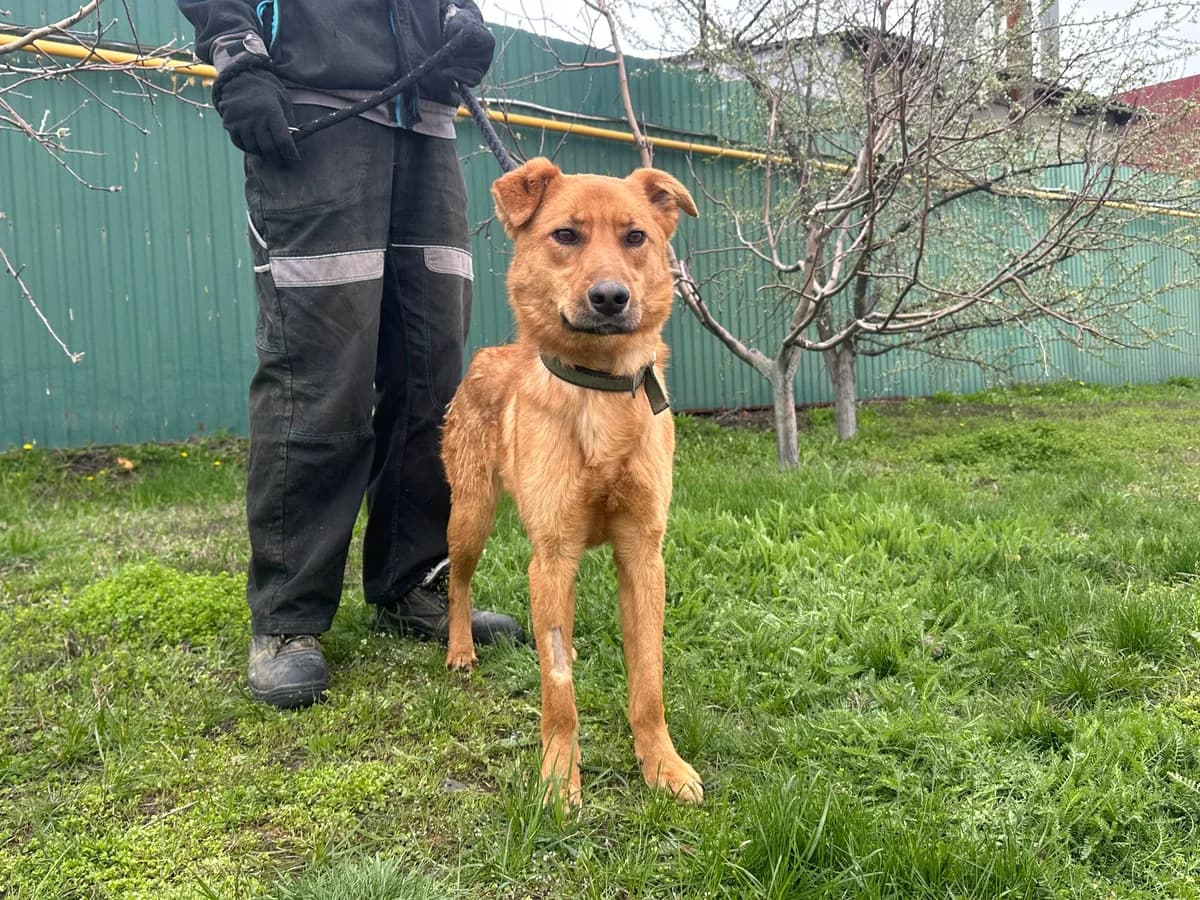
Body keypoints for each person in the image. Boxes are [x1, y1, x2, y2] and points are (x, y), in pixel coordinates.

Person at [178, 0, 525, 709]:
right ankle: (287, 619)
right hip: (315, 111)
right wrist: (237, 55)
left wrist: (463, 18)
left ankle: (412, 584)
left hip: (425, 122)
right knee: (320, 372)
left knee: (433, 371)